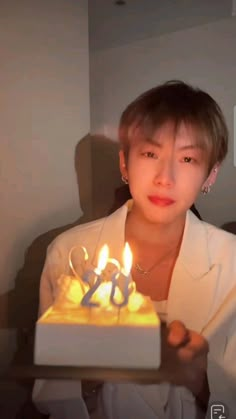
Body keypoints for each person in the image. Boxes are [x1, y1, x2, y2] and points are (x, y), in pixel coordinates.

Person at [33, 80, 236, 419]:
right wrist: (88, 375)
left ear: (210, 175)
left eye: (187, 158)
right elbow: (49, 396)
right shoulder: (69, 253)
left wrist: (201, 382)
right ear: (125, 163)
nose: (165, 177)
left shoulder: (232, 263)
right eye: (150, 153)